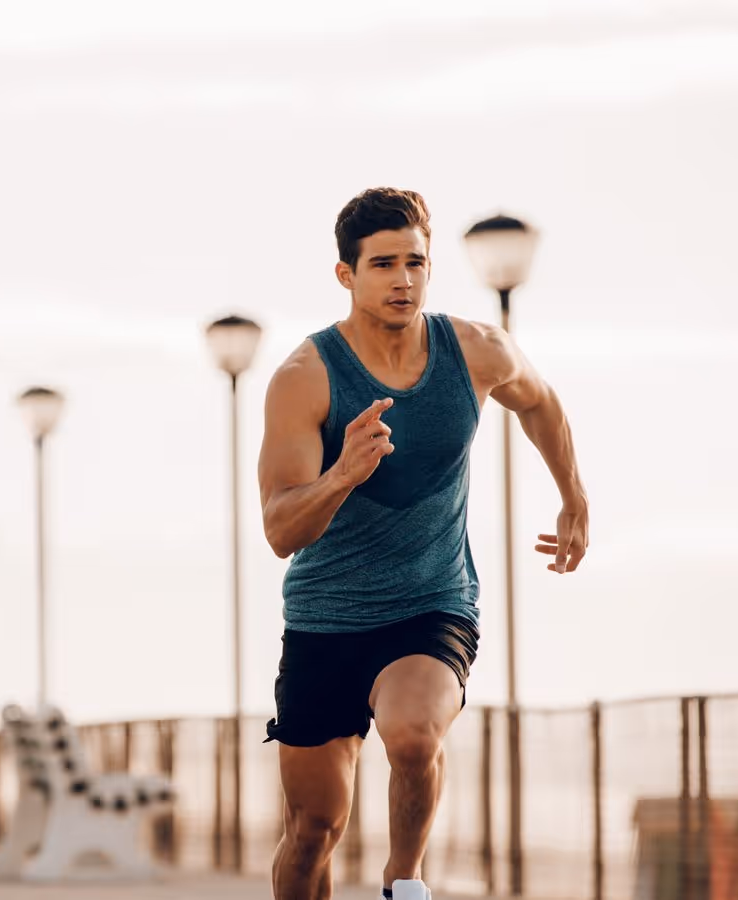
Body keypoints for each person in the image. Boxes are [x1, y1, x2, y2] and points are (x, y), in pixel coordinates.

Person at [257, 188, 590, 900]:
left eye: (415, 262)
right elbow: (282, 529)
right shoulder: (305, 378)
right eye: (383, 265)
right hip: (324, 619)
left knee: (412, 735)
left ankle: (404, 882)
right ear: (346, 275)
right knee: (314, 828)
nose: (403, 279)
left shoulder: (474, 349)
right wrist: (343, 474)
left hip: (430, 602)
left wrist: (573, 498)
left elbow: (541, 401)